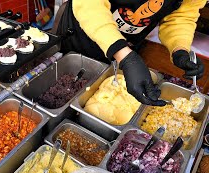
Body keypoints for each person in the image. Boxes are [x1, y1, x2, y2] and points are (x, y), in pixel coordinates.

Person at [56, 0, 206, 106]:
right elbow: (90, 4)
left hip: (128, 44)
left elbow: (181, 16)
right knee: (67, 87)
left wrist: (179, 49)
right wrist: (123, 54)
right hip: (83, 32)